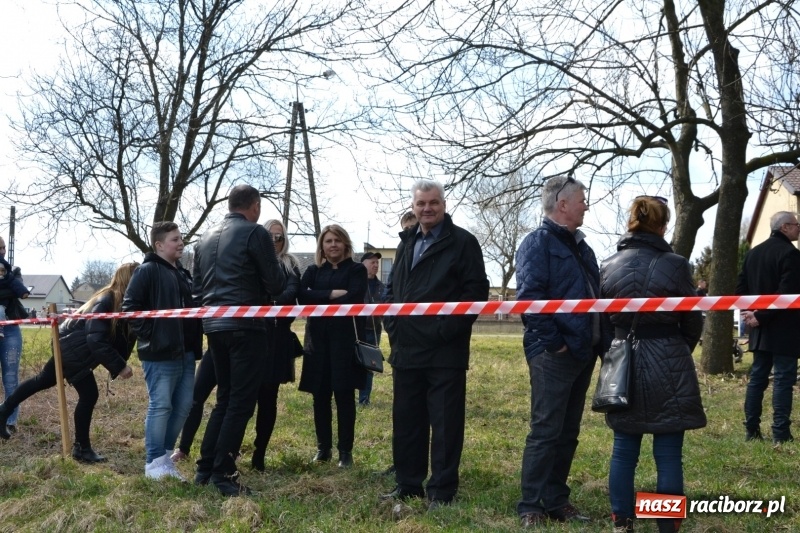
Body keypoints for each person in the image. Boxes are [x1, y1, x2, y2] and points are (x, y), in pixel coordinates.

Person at [600, 196, 706, 533]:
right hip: (669, 358)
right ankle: (666, 526)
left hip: (623, 363)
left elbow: (602, 322)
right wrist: (677, 349)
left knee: (624, 450)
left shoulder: (607, 265)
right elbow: (692, 319)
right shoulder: (677, 265)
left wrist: (616, 352)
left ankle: (622, 522)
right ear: (662, 226)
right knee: (669, 453)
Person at [382, 179, 489, 510]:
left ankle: (442, 491)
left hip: (445, 352)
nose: (427, 208)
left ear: (444, 205)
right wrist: (392, 324)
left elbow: (475, 293)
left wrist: (444, 330)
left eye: (433, 203)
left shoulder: (463, 242)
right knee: (407, 422)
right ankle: (408, 484)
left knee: (445, 426)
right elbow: (391, 290)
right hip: (405, 349)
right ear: (413, 207)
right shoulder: (406, 243)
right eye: (421, 204)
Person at [515, 176, 609, 526]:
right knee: (545, 430)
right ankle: (530, 506)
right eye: (582, 199)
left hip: (582, 353)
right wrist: (556, 344)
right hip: (554, 354)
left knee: (568, 432)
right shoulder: (536, 244)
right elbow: (530, 300)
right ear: (562, 203)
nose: (586, 205)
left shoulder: (582, 248)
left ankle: (556, 500)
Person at [171, 219, 301, 472]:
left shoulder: (290, 265)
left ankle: (244, 458)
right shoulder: (245, 253)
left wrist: (267, 302)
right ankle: (202, 458)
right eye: (270, 236)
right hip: (234, 330)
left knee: (254, 400)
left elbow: (288, 294)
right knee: (221, 397)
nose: (274, 241)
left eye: (279, 237)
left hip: (268, 339)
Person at [192, 184, 286, 496]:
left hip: (214, 325)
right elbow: (275, 283)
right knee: (241, 402)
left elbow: (196, 289)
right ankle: (223, 473)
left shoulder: (204, 238)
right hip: (246, 325)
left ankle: (206, 468)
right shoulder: (256, 232)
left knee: (225, 398)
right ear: (255, 206)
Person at [0, 263, 139, 462]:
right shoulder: (107, 299)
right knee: (89, 394)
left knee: (42, 380)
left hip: (70, 346)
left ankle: (3, 411)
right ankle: (82, 448)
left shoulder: (121, 301)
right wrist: (119, 366)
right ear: (129, 279)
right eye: (139, 278)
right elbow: (96, 338)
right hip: (73, 349)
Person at [123, 222, 202, 481]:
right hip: (159, 354)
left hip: (186, 353)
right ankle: (153, 463)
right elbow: (130, 308)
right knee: (161, 406)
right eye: (174, 239)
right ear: (159, 245)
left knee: (184, 405)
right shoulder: (146, 271)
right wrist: (153, 335)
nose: (181, 243)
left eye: (181, 238)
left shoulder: (183, 274)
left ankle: (165, 459)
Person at [298, 224, 368, 468]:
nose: (333, 245)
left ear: (345, 243)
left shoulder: (357, 270)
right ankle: (323, 449)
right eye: (328, 241)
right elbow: (302, 295)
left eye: (337, 240)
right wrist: (330, 294)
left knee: (344, 396)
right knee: (320, 397)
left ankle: (345, 452)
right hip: (317, 342)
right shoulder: (313, 270)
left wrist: (319, 296)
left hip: (345, 342)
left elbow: (354, 296)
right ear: (322, 246)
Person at [736, 211, 800, 444]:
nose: (799, 228)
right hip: (784, 327)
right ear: (784, 227)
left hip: (759, 329)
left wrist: (750, 314)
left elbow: (740, 288)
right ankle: (780, 433)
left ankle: (751, 430)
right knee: (783, 379)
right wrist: (760, 316)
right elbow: (786, 293)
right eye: (796, 224)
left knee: (757, 378)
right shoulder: (791, 254)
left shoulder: (753, 253)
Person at [0, 237, 27, 434]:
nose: (2, 251)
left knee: (11, 378)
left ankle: (10, 421)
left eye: (3, 247)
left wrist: (7, 283)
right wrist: (8, 290)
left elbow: (19, 290)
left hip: (11, 330)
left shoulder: (14, 271)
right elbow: (11, 291)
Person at [357, 251, 384, 406]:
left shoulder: (382, 287)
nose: (376, 265)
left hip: (374, 331)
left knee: (369, 365)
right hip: (356, 330)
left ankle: (364, 399)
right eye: (372, 262)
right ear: (363, 264)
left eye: (377, 262)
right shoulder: (356, 284)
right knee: (353, 364)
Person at [0, 261, 29, 338]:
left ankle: (0, 329)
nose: (1, 273)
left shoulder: (10, 277)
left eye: (2, 271)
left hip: (3, 305)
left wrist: (23, 292)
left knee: (0, 311)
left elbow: (17, 285)